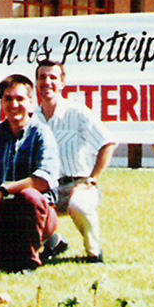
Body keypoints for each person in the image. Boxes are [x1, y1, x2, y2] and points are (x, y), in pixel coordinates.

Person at [0, 74, 60, 273]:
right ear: (1, 102)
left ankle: (29, 261)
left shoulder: (41, 133)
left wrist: (5, 189)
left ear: (31, 102)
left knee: (29, 196)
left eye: (20, 99)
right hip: (0, 214)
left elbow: (44, 179)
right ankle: (41, 247)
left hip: (38, 212)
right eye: (8, 98)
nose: (14, 104)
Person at [34, 60, 116, 263]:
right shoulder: (32, 117)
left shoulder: (77, 112)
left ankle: (94, 253)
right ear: (36, 83)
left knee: (80, 205)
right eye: (42, 77)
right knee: (24, 204)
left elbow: (108, 143)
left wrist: (93, 179)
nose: (47, 82)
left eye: (53, 77)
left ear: (62, 82)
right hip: (46, 187)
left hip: (78, 184)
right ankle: (53, 242)